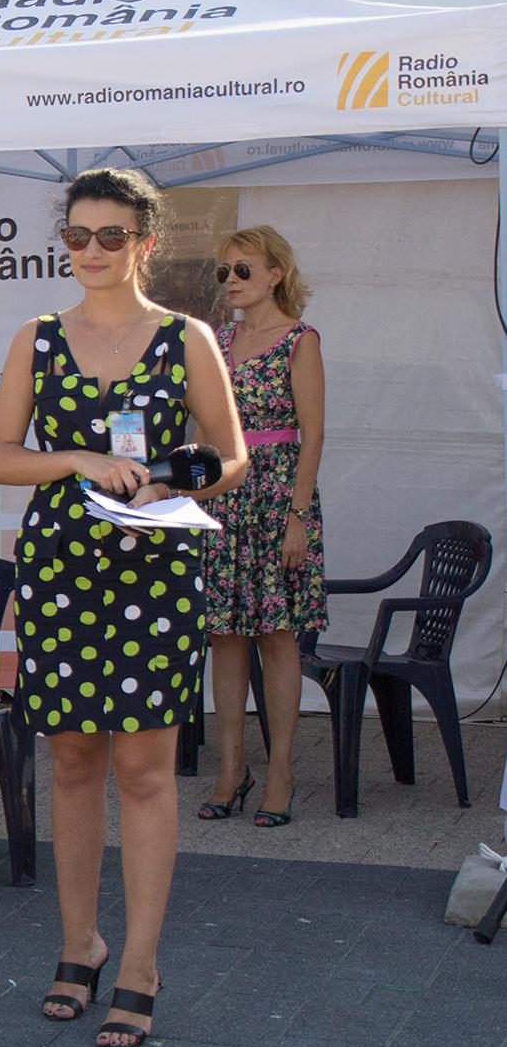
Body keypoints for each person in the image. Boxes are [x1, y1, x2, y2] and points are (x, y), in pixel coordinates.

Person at [0, 167, 244, 1047]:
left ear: (145, 243)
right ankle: (78, 942)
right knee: (71, 762)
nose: (90, 251)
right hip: (60, 570)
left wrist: (175, 480)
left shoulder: (185, 337)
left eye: (110, 236)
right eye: (77, 235)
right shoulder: (37, 338)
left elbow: (232, 456)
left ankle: (140, 962)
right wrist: (80, 461)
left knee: (145, 770)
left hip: (156, 571)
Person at [200, 227, 326, 829]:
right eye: (224, 271)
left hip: (279, 498)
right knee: (224, 636)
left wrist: (297, 518)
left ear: (276, 273)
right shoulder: (217, 342)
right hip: (226, 498)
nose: (231, 281)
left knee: (278, 637)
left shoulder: (301, 340)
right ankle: (231, 769)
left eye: (243, 269)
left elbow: (313, 435)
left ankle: (280, 774)